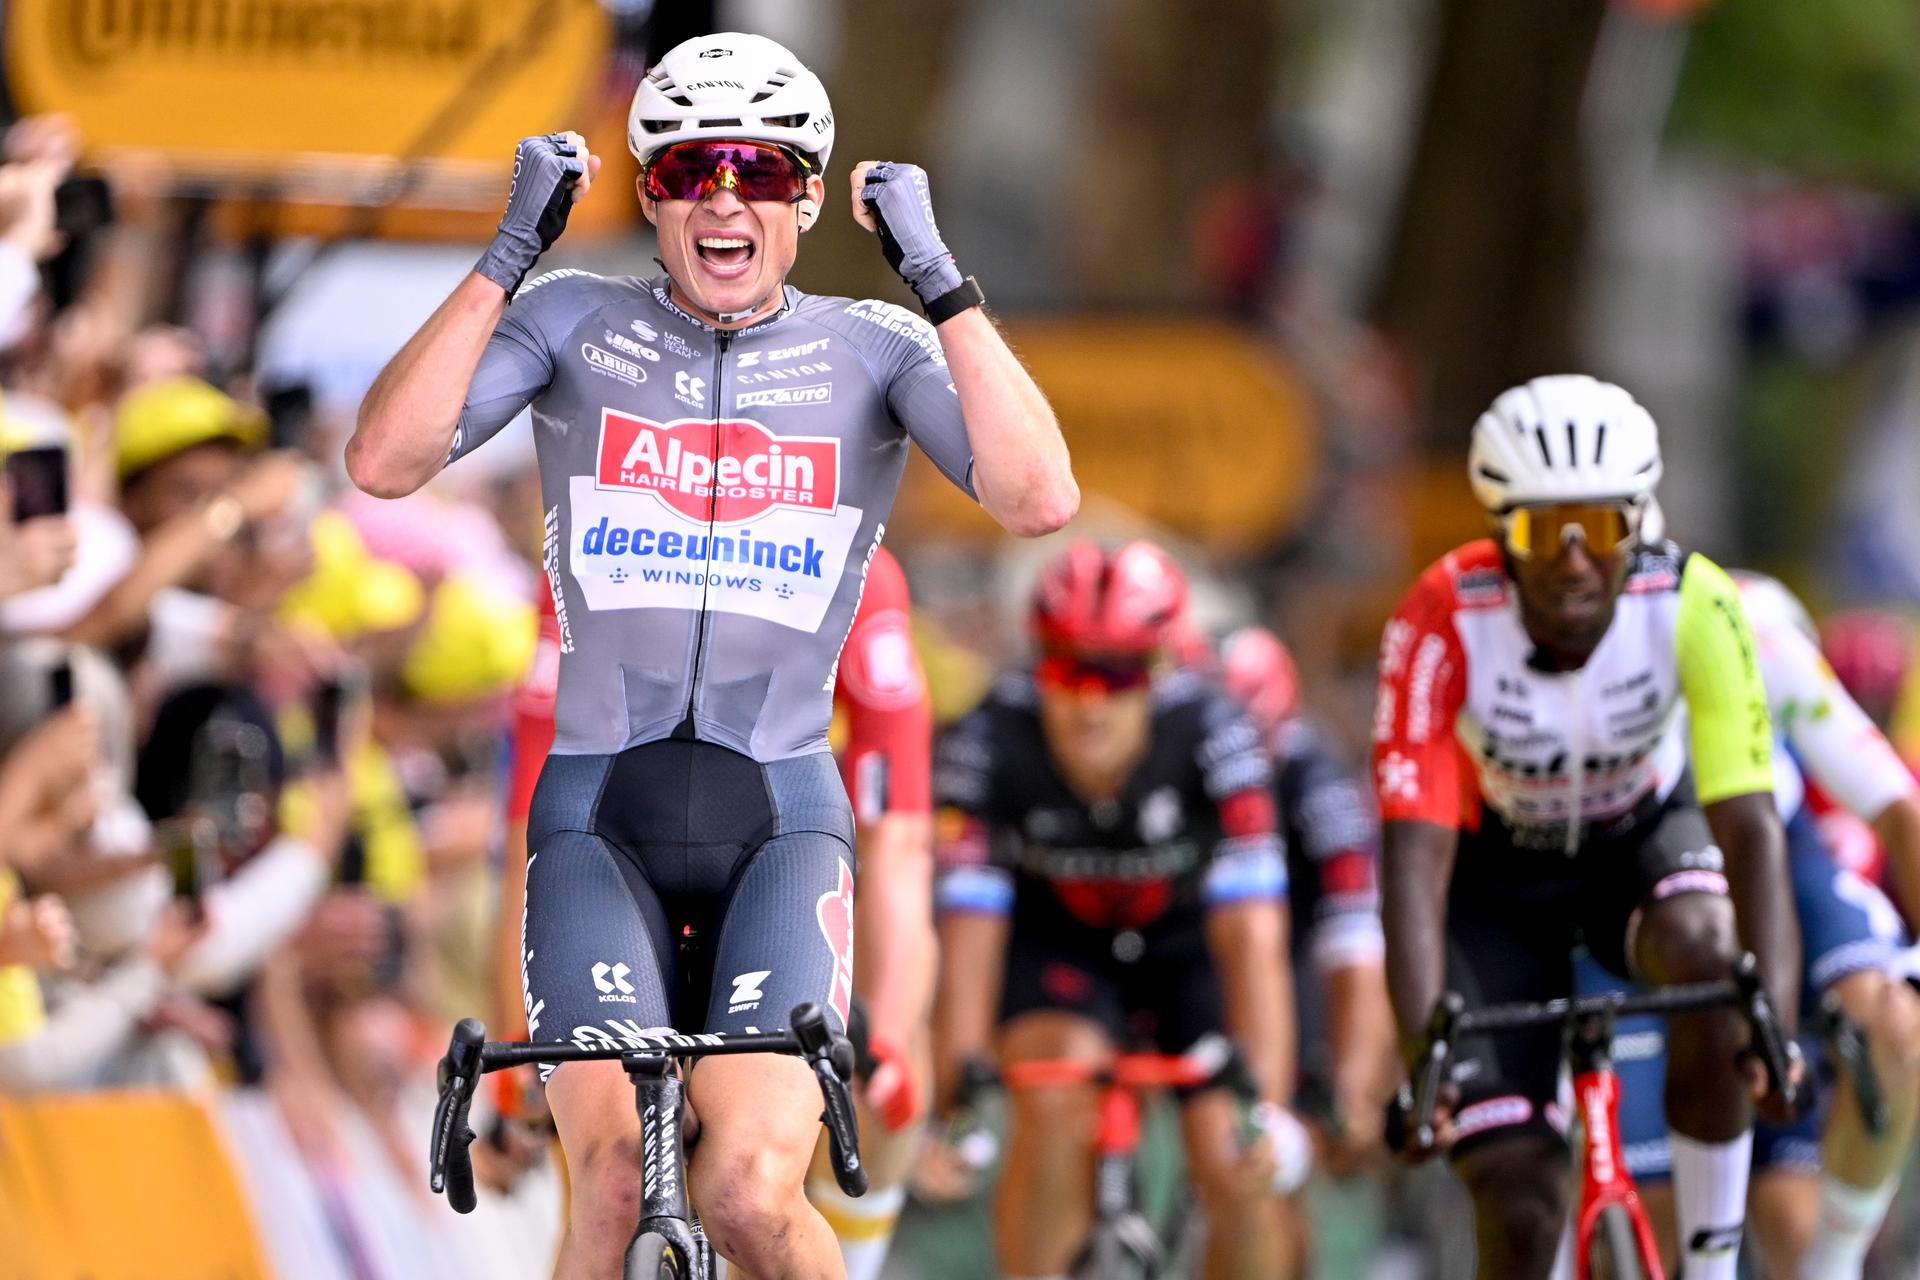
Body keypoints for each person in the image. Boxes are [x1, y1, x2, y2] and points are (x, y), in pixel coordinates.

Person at [346, 31, 1076, 1280]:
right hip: (597, 809)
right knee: (613, 1188)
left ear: (804, 194)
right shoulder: (574, 320)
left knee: (745, 1190)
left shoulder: (877, 345)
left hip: (779, 814)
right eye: (689, 168)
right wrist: (504, 259)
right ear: (651, 193)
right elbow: (382, 460)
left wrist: (942, 282)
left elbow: (1037, 495)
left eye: (756, 168)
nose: (722, 194)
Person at [1371, 374, 1799, 1280]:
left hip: (1638, 852)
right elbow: (1413, 858)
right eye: (1541, 529)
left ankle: (1712, 1259)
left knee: (1716, 959)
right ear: (1501, 535)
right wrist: (1424, 1058)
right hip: (1493, 891)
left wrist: (1775, 1023)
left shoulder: (1695, 600)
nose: (1572, 560)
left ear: (1639, 524)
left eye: (1599, 526)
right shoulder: (1442, 616)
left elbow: (1751, 828)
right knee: (1521, 1206)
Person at [932, 540, 1302, 1280]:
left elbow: (1253, 935)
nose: (1090, 701)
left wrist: (1269, 1106)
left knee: (1236, 1154)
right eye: (1068, 668)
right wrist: (956, 1102)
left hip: (1185, 947)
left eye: (1117, 672)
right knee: (1056, 1090)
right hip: (1059, 947)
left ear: (1159, 672)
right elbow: (970, 936)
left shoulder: (1215, 732)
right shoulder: (991, 736)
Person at [1577, 570, 1920, 1279]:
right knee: (1650, 1227)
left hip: (1773, 863)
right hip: (1636, 879)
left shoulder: (1763, 636)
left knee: (1896, 1032)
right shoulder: (1617, 651)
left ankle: (1836, 1264)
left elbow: (1900, 812)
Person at [1218, 625, 1396, 1170]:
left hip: (1298, 942)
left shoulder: (1317, 782)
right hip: (1206, 940)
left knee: (1314, 1123)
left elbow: (1359, 949)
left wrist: (1351, 1087)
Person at [808, 545, 937, 1280]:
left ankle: (852, 1264)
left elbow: (898, 844)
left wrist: (885, 1029)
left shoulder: (862, 577)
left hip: (807, 850)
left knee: (890, 1049)